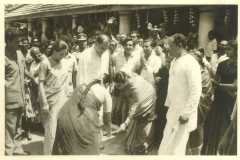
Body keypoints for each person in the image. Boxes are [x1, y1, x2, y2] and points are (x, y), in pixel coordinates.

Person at [158, 33, 202, 155]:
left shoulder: (191, 62)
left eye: (171, 46)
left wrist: (186, 114)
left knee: (176, 150)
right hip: (173, 112)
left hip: (183, 115)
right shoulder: (174, 61)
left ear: (180, 45)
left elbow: (196, 90)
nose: (168, 48)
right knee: (165, 147)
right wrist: (169, 105)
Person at [52, 79, 112, 155]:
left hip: (63, 115)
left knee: (67, 148)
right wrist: (109, 133)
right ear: (107, 85)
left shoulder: (85, 84)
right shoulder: (107, 95)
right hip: (81, 122)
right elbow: (108, 121)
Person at [202, 40, 237, 155]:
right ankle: (210, 153)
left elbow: (235, 86)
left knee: (225, 127)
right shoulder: (222, 63)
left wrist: (220, 86)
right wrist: (214, 86)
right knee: (213, 127)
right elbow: (216, 80)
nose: (227, 51)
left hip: (230, 101)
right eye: (227, 49)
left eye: (230, 49)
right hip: (219, 99)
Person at [113, 71, 156, 155]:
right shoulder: (125, 75)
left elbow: (134, 108)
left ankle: (145, 143)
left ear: (124, 82)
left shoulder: (134, 88)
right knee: (129, 142)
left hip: (148, 96)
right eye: (116, 85)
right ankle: (135, 138)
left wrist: (125, 123)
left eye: (119, 86)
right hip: (140, 94)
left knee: (144, 118)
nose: (117, 87)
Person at [38, 39, 69, 155]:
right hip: (50, 101)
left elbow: (65, 82)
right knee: (50, 131)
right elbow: (40, 84)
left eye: (65, 54)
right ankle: (48, 154)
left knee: (61, 129)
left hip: (62, 99)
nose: (63, 56)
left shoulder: (63, 62)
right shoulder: (45, 63)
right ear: (54, 51)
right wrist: (44, 102)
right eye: (61, 54)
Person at [5, 27, 29, 155]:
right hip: (9, 98)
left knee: (19, 125)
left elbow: (24, 70)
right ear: (8, 41)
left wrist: (35, 79)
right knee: (9, 127)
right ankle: (8, 153)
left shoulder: (19, 53)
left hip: (21, 96)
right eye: (16, 41)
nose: (18, 44)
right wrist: (7, 85)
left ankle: (17, 149)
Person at [186, 49, 213, 155]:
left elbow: (206, 94)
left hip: (199, 107)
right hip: (188, 106)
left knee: (197, 129)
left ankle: (197, 153)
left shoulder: (204, 74)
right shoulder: (190, 73)